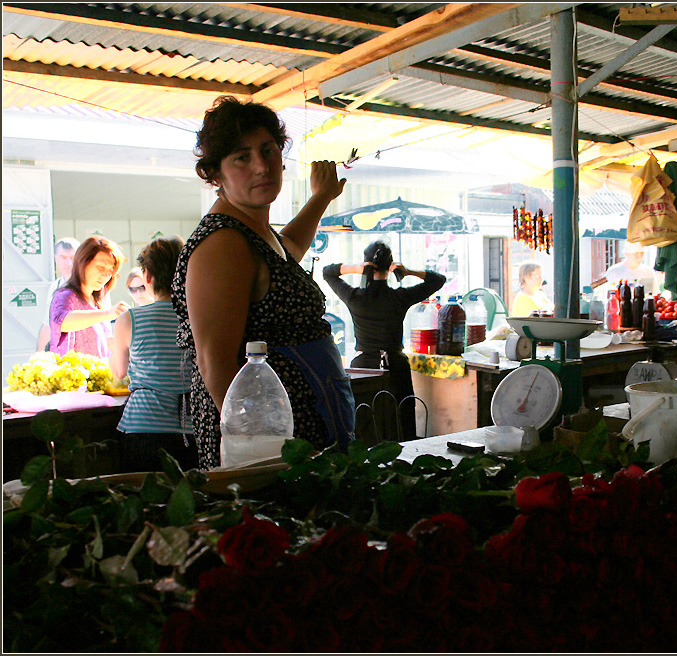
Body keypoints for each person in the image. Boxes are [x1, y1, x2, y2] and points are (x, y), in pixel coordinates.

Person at [171, 95, 355, 471]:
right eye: (242, 157)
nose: (262, 166)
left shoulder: (253, 233)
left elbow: (287, 252)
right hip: (271, 448)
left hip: (299, 435)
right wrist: (259, 451)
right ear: (215, 174)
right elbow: (214, 361)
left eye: (268, 150)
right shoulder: (222, 242)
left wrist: (321, 197)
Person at [323, 241, 446, 441]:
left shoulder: (355, 297)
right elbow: (437, 280)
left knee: (366, 424)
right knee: (401, 423)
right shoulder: (399, 297)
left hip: (363, 368)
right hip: (395, 366)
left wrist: (356, 268)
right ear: (391, 267)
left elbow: (328, 272)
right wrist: (407, 272)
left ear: (366, 265)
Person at [111, 236, 197, 473]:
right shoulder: (199, 318)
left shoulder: (130, 319)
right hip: (192, 427)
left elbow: (118, 372)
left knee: (144, 500)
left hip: (142, 425)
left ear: (147, 277)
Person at [49, 236, 128, 359]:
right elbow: (61, 322)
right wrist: (108, 313)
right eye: (101, 267)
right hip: (74, 375)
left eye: (111, 270)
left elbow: (106, 340)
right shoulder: (66, 295)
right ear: (83, 262)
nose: (105, 275)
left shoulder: (97, 300)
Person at [37, 237, 81, 351]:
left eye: (72, 257)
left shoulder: (92, 286)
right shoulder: (55, 287)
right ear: (55, 258)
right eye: (63, 257)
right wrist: (40, 357)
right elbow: (48, 324)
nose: (68, 263)